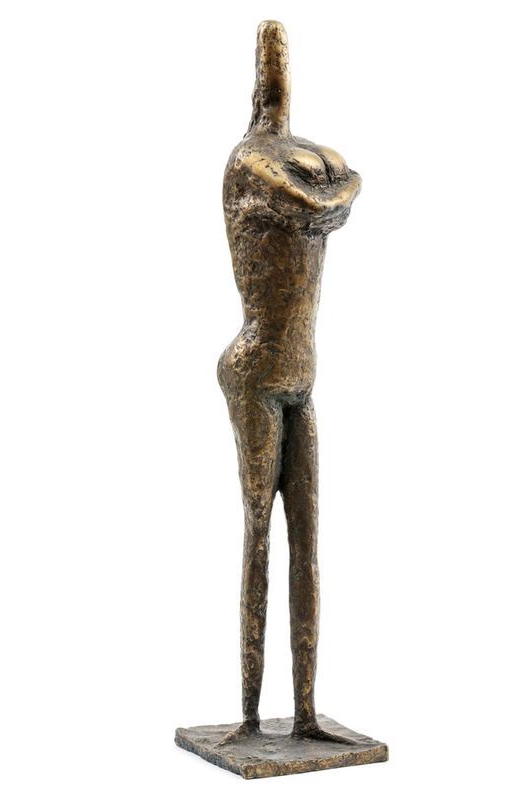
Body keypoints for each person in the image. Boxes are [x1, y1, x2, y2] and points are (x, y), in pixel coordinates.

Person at [217, 20, 361, 745]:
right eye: (268, 62)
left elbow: (346, 191)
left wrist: (336, 185)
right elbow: (321, 204)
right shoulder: (250, 163)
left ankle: (304, 712)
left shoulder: (308, 156)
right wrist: (334, 186)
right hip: (255, 370)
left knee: (307, 538)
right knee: (258, 533)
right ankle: (248, 716)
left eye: (279, 61)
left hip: (300, 376)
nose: (276, 74)